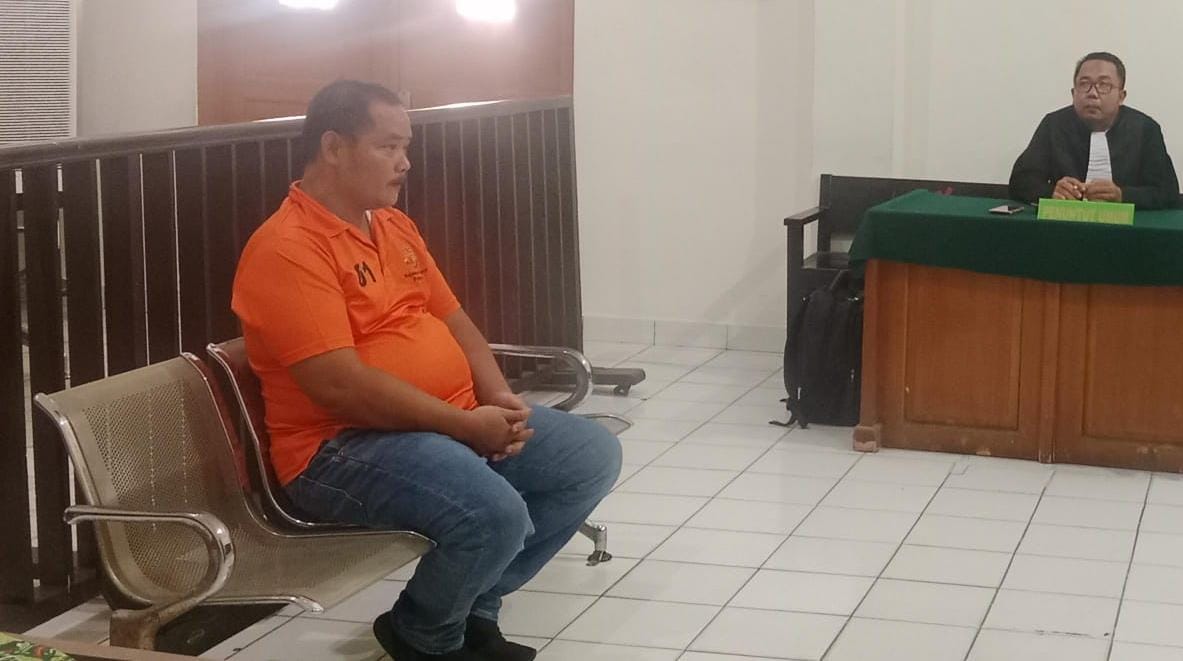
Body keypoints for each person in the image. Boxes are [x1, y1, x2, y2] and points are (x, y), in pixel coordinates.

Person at [231, 80, 622, 661]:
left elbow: (455, 320)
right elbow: (339, 385)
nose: (404, 163)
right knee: (494, 515)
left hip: (446, 420)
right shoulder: (289, 248)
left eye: (406, 147)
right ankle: (425, 635)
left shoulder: (392, 226)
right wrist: (464, 427)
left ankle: (473, 610)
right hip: (341, 447)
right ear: (334, 147)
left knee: (590, 456)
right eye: (388, 147)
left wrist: (499, 398)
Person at [1009, 51, 1179, 209]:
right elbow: (1020, 182)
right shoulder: (1054, 124)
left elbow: (1167, 192)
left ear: (1121, 96)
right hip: (1065, 224)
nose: (1092, 93)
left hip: (1130, 228)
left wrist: (1122, 195)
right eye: (1084, 84)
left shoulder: (1145, 129)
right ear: (1073, 93)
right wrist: (1052, 192)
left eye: (1103, 85)